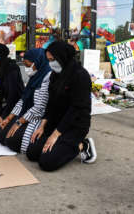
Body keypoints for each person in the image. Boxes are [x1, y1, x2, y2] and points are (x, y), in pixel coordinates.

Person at [26, 41, 97, 171]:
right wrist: (43, 126)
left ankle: (82, 145)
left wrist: (56, 134)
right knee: (32, 153)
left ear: (63, 57)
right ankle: (62, 143)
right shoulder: (55, 75)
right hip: (56, 122)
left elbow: (76, 108)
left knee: (47, 162)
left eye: (53, 59)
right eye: (48, 60)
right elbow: (51, 103)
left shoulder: (80, 76)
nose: (50, 63)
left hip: (74, 124)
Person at [0, 48, 51, 153]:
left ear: (38, 62)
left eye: (28, 65)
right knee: (1, 134)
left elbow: (40, 108)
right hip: (25, 114)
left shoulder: (47, 78)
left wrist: (18, 122)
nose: (27, 69)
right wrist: (8, 118)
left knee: (12, 141)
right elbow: (23, 100)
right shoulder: (34, 77)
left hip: (38, 117)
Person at [0, 42, 24, 137]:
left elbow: (13, 96)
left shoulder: (12, 68)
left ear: (0, 55)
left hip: (17, 107)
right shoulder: (0, 69)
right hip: (8, 105)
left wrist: (4, 116)